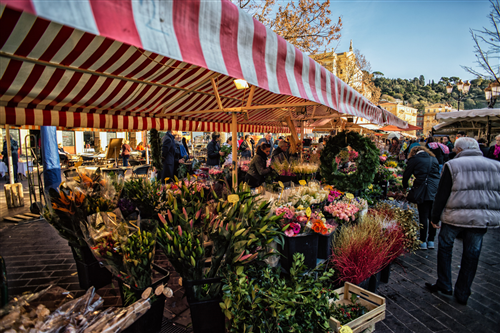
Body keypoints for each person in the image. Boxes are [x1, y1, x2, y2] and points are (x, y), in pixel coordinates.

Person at [426, 137, 500, 305]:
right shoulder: (496, 166)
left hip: (454, 217)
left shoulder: (453, 165)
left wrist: (435, 216)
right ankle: (463, 292)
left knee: (445, 247)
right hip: (481, 219)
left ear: (459, 150)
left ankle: (444, 283)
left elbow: (442, 194)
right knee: (472, 254)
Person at [403, 146, 441, 250]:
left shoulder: (414, 159)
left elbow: (406, 175)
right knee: (432, 216)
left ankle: (423, 241)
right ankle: (431, 241)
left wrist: (405, 187)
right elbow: (437, 173)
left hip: (422, 189)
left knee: (423, 215)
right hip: (434, 189)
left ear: (413, 152)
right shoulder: (434, 159)